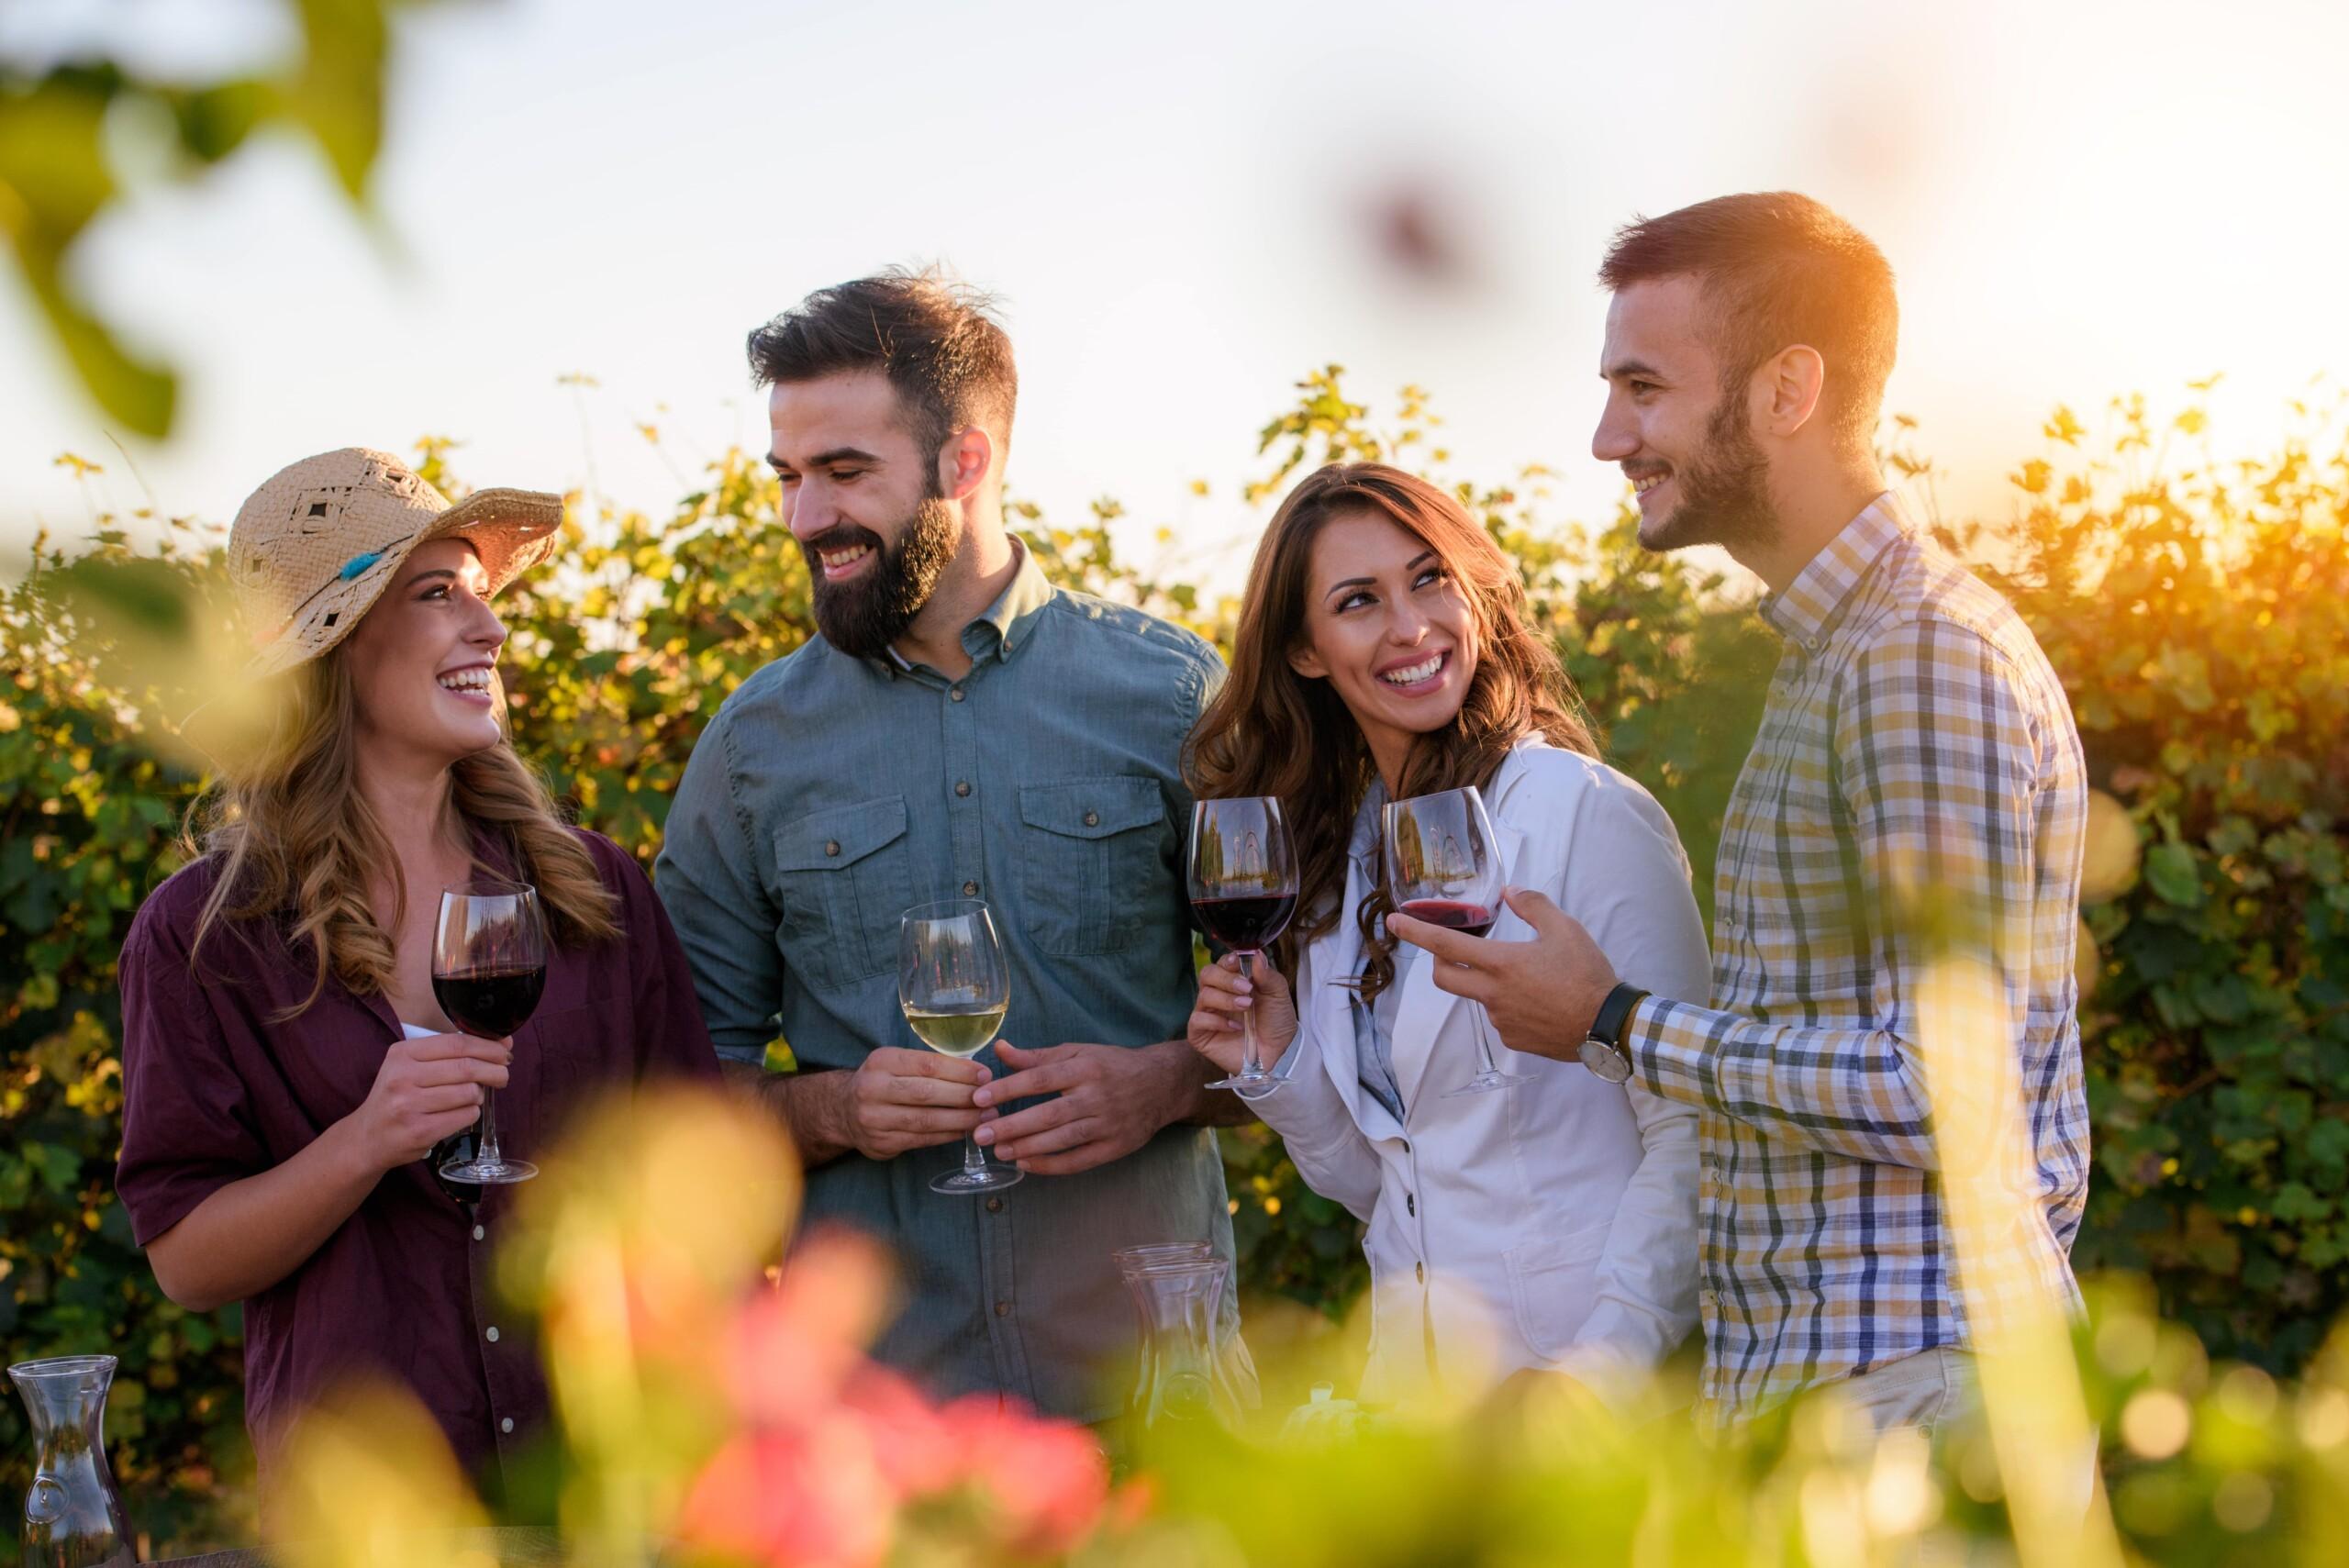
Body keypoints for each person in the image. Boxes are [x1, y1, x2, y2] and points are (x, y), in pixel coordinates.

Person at [1389, 192, 2092, 1433]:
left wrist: (1613, 1018)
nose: (1611, 437)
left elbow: (1945, 1083)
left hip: (1914, 1391)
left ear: (1786, 390)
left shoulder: (1915, 656)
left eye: (1645, 387)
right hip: (1852, 1388)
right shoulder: (1836, 652)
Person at [654, 269, 1252, 1423]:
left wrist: (1166, 1083)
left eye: (843, 473)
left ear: (964, 462)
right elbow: (682, 1103)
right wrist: (834, 1111)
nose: (801, 517)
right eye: (787, 475)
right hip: (878, 1438)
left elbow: (1328, 1028)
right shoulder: (751, 747)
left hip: (1154, 1410)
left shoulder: (1173, 697)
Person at [115, 449, 721, 1512]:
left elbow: (702, 1175)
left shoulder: (591, 892)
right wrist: (363, 1140)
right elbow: (187, 1258)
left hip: (605, 1488)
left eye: (483, 596)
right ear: (333, 651)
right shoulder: (204, 935)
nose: (488, 629)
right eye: (438, 594)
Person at [1182, 462, 1709, 1409]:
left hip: (1580, 1409)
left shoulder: (1577, 811)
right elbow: (1390, 1183)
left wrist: (1601, 1373)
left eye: (1430, 578)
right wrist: (1280, 1062)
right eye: (1358, 600)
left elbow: (1693, 1126)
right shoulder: (1348, 860)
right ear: (1305, 649)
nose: (1410, 625)